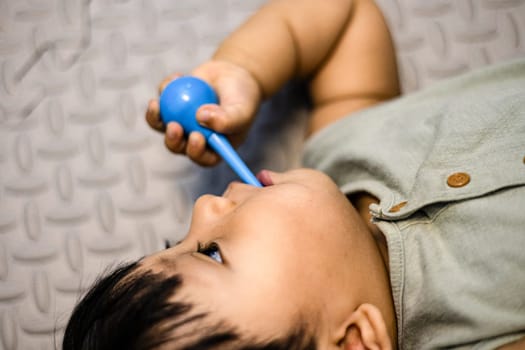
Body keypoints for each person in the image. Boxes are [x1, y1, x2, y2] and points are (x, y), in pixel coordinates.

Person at [62, 0, 525, 348]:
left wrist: (242, 70)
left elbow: (345, 17)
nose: (204, 205)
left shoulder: (342, 152)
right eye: (212, 254)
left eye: (173, 243)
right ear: (353, 342)